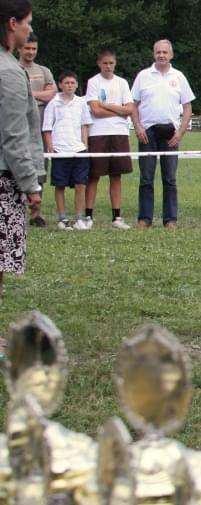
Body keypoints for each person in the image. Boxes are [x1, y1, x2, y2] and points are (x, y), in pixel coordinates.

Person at [0, 0, 43, 309]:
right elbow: (15, 137)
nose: (30, 29)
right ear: (12, 23)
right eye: (27, 22)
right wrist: (31, 184)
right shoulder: (10, 73)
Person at [131, 39, 195, 230]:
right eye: (158, 52)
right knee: (146, 178)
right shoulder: (143, 76)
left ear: (171, 55)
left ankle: (170, 220)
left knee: (170, 179)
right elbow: (133, 105)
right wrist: (138, 127)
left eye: (165, 52)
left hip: (171, 132)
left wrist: (181, 132)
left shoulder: (179, 77)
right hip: (147, 132)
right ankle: (145, 219)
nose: (161, 55)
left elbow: (188, 106)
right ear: (153, 54)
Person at [84, 48, 134, 230]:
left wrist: (108, 106)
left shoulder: (122, 83)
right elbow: (95, 111)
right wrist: (117, 110)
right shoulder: (93, 82)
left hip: (120, 134)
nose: (108, 66)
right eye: (105, 63)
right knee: (94, 175)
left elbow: (129, 109)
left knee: (116, 175)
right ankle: (88, 215)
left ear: (115, 63)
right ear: (99, 63)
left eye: (111, 63)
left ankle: (117, 217)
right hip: (98, 133)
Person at [42, 70, 93, 230]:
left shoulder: (81, 103)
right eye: (66, 83)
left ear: (77, 85)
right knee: (60, 184)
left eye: (72, 83)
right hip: (60, 149)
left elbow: (85, 125)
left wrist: (85, 144)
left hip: (79, 149)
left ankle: (78, 218)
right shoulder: (54, 103)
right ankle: (62, 218)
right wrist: (50, 146)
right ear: (60, 85)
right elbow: (47, 128)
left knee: (80, 184)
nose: (69, 86)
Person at [18, 31, 56, 227]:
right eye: (27, 48)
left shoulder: (44, 71)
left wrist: (29, 93)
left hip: (39, 130)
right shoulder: (12, 69)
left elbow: (52, 94)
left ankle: (35, 214)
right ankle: (16, 212)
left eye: (34, 48)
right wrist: (40, 96)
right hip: (16, 128)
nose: (31, 52)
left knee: (38, 171)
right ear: (20, 48)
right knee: (15, 168)